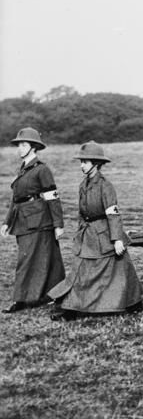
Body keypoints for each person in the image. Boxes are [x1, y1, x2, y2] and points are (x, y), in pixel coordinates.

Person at [48, 141, 143, 320]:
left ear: (96, 163)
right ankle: (72, 308)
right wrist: (79, 234)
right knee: (81, 271)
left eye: (85, 161)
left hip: (105, 234)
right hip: (88, 234)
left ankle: (133, 302)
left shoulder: (105, 186)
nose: (82, 165)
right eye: (81, 161)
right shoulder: (83, 185)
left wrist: (117, 239)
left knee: (121, 270)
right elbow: (81, 214)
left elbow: (113, 214)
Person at [1, 127, 65, 313]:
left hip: (39, 221)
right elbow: (16, 199)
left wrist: (58, 224)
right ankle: (51, 294)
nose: (19, 148)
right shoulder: (23, 169)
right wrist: (6, 222)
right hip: (23, 221)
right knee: (40, 258)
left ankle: (22, 300)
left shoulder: (42, 170)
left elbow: (53, 198)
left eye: (23, 144)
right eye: (18, 145)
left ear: (34, 147)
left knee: (39, 259)